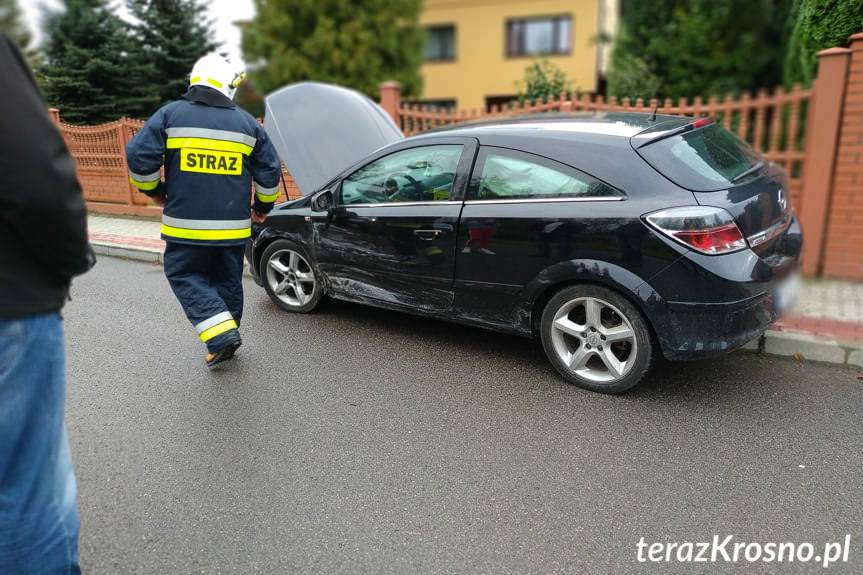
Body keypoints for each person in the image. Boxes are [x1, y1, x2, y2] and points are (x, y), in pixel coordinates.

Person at [0, 32, 95, 574]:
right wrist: (68, 261)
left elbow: (143, 164)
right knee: (27, 493)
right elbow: (36, 177)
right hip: (11, 304)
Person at [125, 53, 282, 367]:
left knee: (184, 273)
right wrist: (262, 207)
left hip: (186, 226)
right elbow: (269, 173)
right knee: (227, 281)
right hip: (234, 229)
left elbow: (140, 159)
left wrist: (155, 191)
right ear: (227, 85)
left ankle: (221, 336)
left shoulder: (170, 115)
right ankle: (227, 336)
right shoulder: (248, 124)